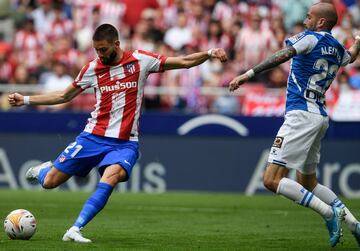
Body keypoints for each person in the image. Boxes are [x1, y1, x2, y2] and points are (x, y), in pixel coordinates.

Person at [8, 23, 228, 243]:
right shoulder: (92, 69)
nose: (100, 54)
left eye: (103, 49)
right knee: (50, 182)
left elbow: (184, 61)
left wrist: (209, 53)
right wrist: (26, 100)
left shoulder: (140, 61)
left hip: (125, 143)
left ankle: (75, 229)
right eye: (97, 50)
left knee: (111, 176)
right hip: (92, 136)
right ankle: (44, 170)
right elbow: (64, 97)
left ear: (117, 44)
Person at [228, 2, 360, 248]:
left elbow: (283, 55)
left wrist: (247, 74)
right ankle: (354, 224)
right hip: (320, 116)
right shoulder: (336, 47)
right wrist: (359, 42)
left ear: (321, 22)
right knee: (308, 182)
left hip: (300, 114)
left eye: (309, 17)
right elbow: (350, 58)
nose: (305, 19)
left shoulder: (309, 38)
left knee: (271, 179)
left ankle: (329, 214)